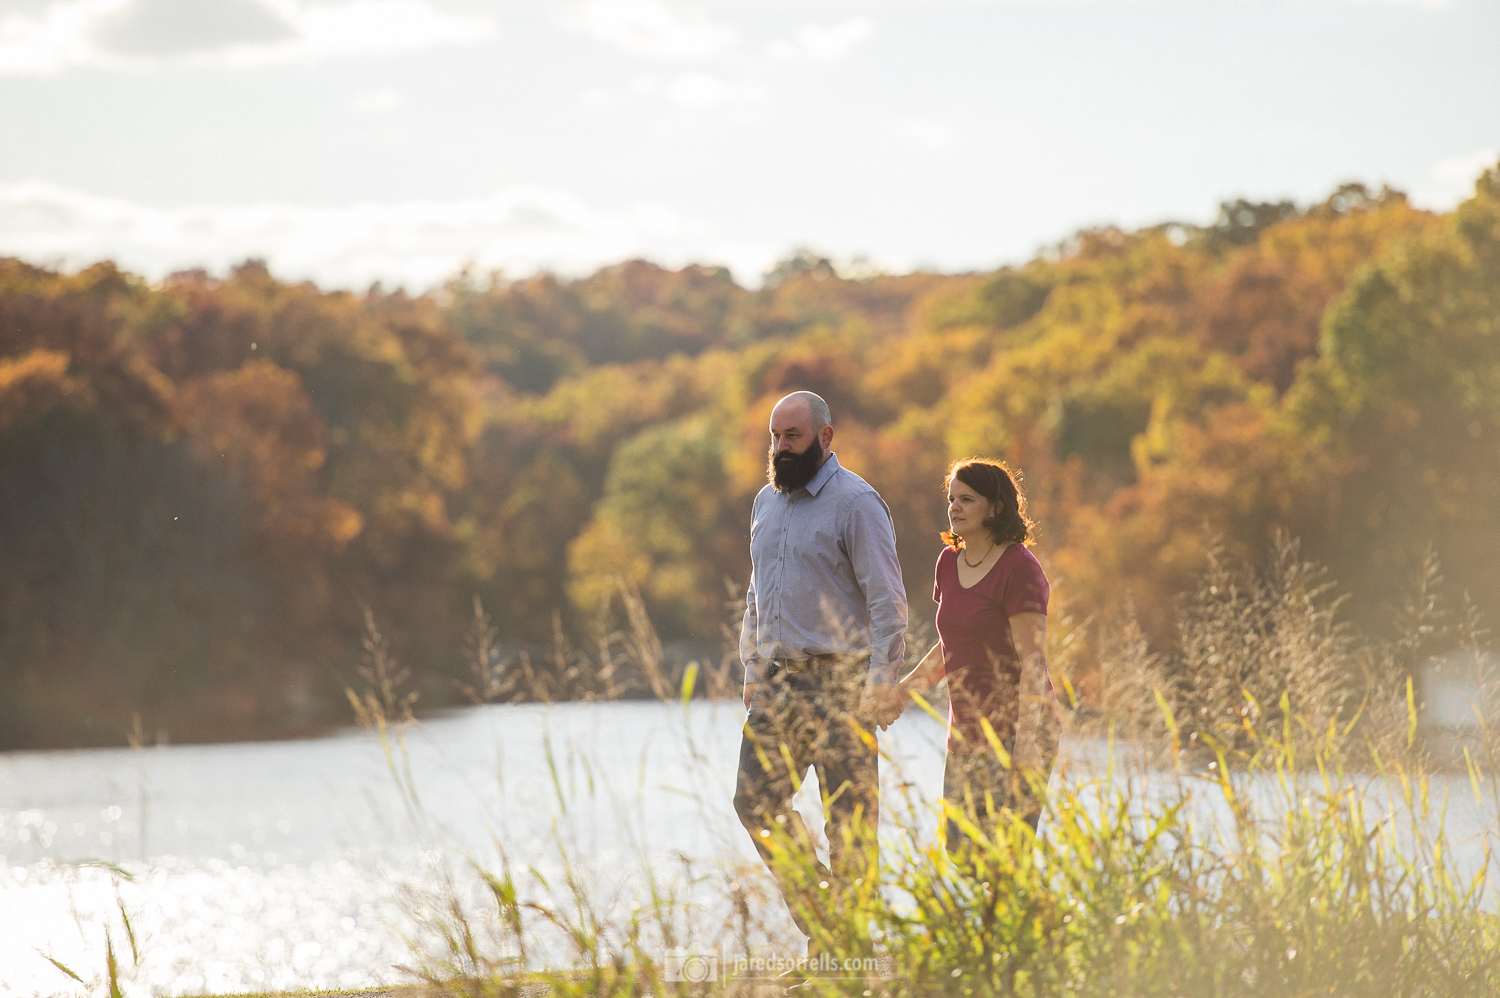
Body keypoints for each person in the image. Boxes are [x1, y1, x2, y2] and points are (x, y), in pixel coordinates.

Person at [732, 390, 908, 958]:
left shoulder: (857, 503)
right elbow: (760, 589)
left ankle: (840, 959)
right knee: (754, 801)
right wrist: (754, 665)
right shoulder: (766, 501)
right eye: (775, 438)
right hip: (781, 680)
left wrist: (882, 679)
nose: (781, 448)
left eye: (793, 437)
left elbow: (888, 601)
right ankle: (833, 927)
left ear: (825, 437)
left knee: (849, 825)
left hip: (845, 683)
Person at [893, 457, 1057, 858]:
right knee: (962, 854)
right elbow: (952, 645)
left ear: (996, 507)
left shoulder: (1020, 569)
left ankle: (1043, 919)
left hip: (1018, 731)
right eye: (951, 498)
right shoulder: (948, 562)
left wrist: (1027, 741)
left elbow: (1034, 661)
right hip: (967, 734)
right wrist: (901, 693)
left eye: (967, 499)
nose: (954, 507)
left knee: (1006, 862)